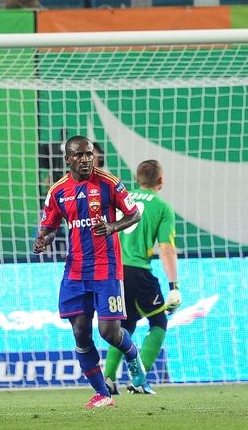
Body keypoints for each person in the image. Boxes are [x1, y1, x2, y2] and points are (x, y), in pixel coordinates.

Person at [33, 136, 154, 408]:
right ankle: (103, 394)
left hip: (106, 268)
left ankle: (132, 356)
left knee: (109, 332)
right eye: (79, 155)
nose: (86, 159)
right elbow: (50, 228)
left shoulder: (110, 183)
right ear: (68, 159)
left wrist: (111, 227)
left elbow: (134, 214)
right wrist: (43, 240)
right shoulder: (58, 191)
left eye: (89, 154)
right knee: (80, 333)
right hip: (76, 270)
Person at [103, 160, 181, 395]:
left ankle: (108, 378)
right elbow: (167, 248)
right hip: (137, 271)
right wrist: (174, 286)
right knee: (159, 322)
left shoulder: (122, 198)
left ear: (137, 179)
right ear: (161, 180)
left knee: (124, 324)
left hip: (113, 271)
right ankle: (139, 378)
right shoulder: (162, 207)